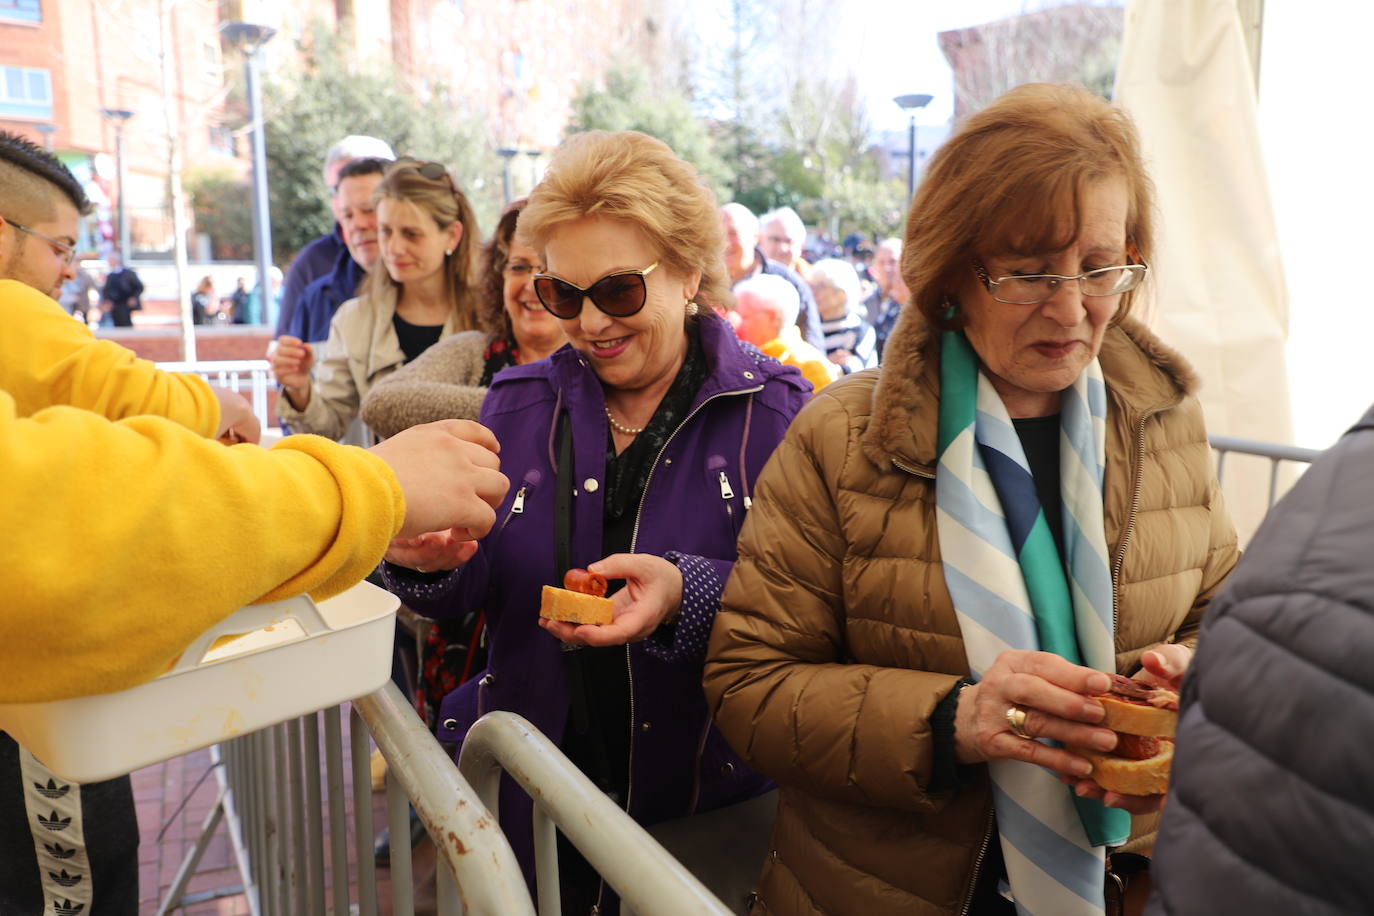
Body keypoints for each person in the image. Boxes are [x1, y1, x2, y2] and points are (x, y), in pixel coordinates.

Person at [703, 83, 1240, 916]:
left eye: (1100, 267)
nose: (1071, 309)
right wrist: (953, 718)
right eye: (1028, 273)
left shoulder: (1165, 422)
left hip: (1132, 883)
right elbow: (749, 685)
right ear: (951, 271)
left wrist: (1193, 676)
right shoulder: (841, 439)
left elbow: (1225, 615)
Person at [0, 130, 509, 916]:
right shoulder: (355, 318)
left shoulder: (486, 324)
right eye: (62, 247)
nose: (70, 271)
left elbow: (87, 398)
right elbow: (57, 514)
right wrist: (367, 488)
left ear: (452, 237)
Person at [381, 130, 809, 914]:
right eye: (562, 294)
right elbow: (473, 588)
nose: (589, 323)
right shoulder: (517, 400)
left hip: (702, 825)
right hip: (528, 822)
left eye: (617, 291)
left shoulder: (778, 414)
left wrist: (689, 593)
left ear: (688, 271)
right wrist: (429, 561)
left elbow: (812, 608)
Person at [1142, 405, 1370, 916]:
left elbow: (1220, 602)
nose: (1069, 317)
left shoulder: (1334, 472)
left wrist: (1204, 677)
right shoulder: (1338, 474)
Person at [272, 159, 483, 442]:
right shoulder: (354, 319)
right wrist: (299, 390)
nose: (394, 248)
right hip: (394, 483)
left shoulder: (490, 313)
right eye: (385, 231)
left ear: (452, 236)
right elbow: (326, 429)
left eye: (411, 234)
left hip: (486, 481)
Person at [276, 134, 396, 336]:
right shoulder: (312, 269)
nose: (357, 224)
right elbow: (286, 348)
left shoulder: (436, 285)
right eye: (335, 190)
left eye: (368, 209)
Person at [720, 202, 825, 351]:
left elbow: (813, 347)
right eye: (717, 234)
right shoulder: (700, 282)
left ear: (756, 237)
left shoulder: (788, 283)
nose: (725, 243)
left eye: (733, 233)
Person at [731, 273, 836, 393]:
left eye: (743, 317)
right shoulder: (743, 356)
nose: (735, 325)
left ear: (772, 318)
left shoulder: (811, 367)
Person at [809, 257, 878, 373]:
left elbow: (858, 373)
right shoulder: (808, 326)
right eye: (812, 286)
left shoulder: (860, 330)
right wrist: (827, 362)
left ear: (842, 294)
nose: (814, 293)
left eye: (821, 287)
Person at [758, 206, 811, 281]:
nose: (782, 248)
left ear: (801, 246)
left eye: (788, 241)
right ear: (760, 240)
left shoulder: (816, 285)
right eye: (775, 240)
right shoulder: (742, 279)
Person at [863, 237, 902, 325]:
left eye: (893, 261)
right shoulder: (867, 303)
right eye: (881, 262)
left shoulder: (912, 304)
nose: (887, 268)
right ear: (875, 265)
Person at [99, 250, 142, 327]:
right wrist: (107, 300)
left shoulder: (128, 274)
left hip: (125, 303)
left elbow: (139, 287)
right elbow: (106, 290)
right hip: (114, 305)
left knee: (125, 322)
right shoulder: (110, 276)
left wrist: (134, 298)